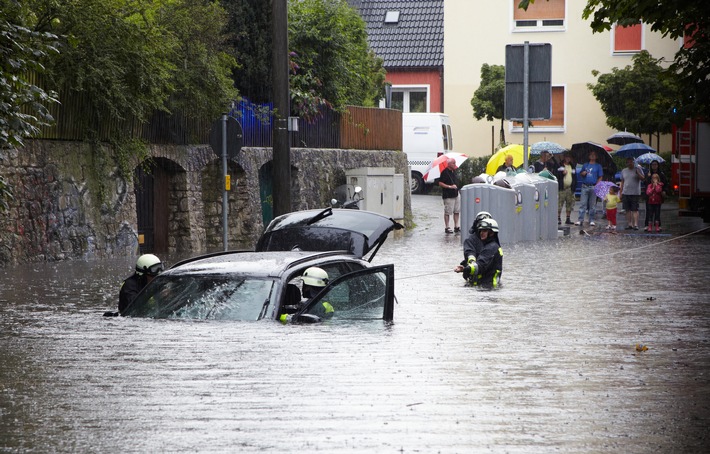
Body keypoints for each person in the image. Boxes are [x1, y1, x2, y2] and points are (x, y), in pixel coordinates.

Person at [454, 217, 503, 288]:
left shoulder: (491, 248)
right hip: (485, 286)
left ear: (491, 233)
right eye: (480, 230)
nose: (481, 233)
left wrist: (465, 269)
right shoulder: (490, 246)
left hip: (488, 289)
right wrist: (465, 266)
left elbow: (480, 266)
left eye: (484, 231)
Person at [575, 150, 603, 226]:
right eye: (591, 155)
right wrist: (583, 173)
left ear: (596, 157)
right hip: (585, 186)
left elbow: (600, 177)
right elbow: (581, 173)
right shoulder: (585, 165)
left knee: (592, 205)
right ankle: (580, 219)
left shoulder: (598, 166)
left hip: (593, 186)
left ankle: (591, 220)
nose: (592, 156)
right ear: (589, 156)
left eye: (594, 155)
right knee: (583, 204)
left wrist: (597, 185)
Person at [620, 157, 645, 230]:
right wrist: (620, 192)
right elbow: (622, 182)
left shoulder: (638, 169)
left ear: (633, 162)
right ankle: (629, 224)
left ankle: (636, 224)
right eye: (628, 162)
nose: (629, 163)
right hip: (626, 192)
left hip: (635, 192)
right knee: (627, 209)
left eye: (631, 162)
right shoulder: (624, 171)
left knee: (635, 209)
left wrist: (638, 173)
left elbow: (643, 178)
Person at [437, 157, 461, 234]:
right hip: (448, 195)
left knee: (457, 210)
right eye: (453, 163)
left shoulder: (454, 171)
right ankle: (447, 227)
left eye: (455, 163)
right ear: (449, 164)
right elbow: (440, 183)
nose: (455, 164)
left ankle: (456, 226)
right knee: (448, 211)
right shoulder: (444, 172)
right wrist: (449, 186)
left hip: (456, 193)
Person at [643, 160, 668, 231]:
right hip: (649, 196)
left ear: (658, 165)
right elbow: (645, 183)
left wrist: (664, 191)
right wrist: (648, 177)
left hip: (658, 196)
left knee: (657, 211)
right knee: (649, 211)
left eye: (655, 164)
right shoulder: (648, 173)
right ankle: (647, 224)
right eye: (652, 164)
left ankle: (658, 224)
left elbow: (665, 184)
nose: (654, 166)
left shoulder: (661, 174)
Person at [554, 153, 576, 225]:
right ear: (564, 157)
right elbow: (556, 175)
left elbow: (575, 177)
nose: (568, 159)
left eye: (569, 157)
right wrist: (562, 173)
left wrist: (574, 186)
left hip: (570, 188)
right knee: (560, 203)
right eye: (566, 157)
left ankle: (568, 218)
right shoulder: (559, 165)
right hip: (562, 188)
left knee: (569, 204)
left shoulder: (572, 166)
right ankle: (558, 218)